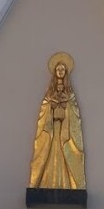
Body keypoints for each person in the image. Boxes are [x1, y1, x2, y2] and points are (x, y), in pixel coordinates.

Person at [28, 52, 86, 189]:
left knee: (65, 152)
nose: (60, 71)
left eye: (63, 69)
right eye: (58, 69)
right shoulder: (50, 93)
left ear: (66, 72)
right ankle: (45, 182)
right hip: (52, 130)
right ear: (54, 71)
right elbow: (44, 107)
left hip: (64, 131)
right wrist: (51, 107)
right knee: (50, 153)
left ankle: (68, 183)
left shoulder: (70, 93)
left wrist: (66, 106)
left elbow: (74, 111)